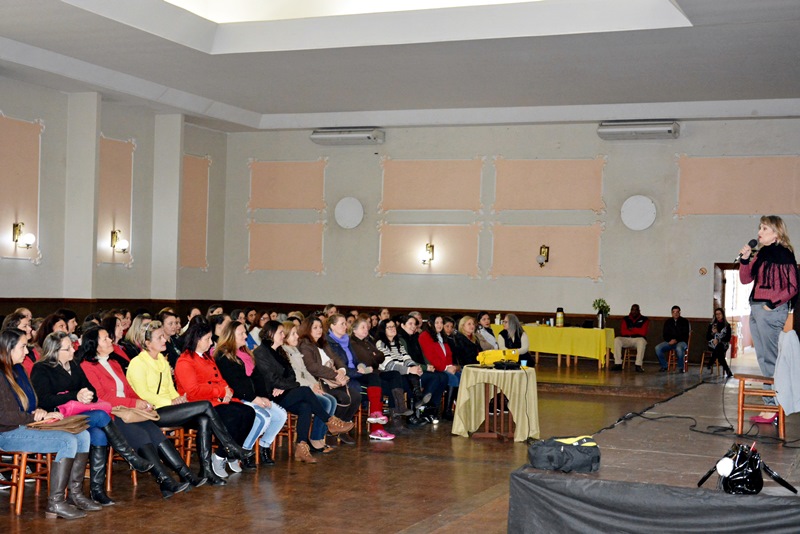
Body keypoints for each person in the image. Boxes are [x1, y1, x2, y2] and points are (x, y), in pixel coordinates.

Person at [30, 332, 155, 505]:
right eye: (67, 349)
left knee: (99, 434)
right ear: (55, 351)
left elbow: (92, 390)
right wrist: (75, 395)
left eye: (72, 348)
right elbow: (44, 399)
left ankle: (97, 491)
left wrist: (88, 395)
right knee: (101, 416)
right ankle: (130, 457)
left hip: (78, 414)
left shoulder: (73, 365)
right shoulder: (42, 368)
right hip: (57, 415)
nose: (73, 352)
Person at [79, 326, 201, 502]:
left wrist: (141, 403)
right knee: (142, 435)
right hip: (111, 413)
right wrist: (133, 403)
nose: (110, 341)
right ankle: (165, 480)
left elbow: (128, 389)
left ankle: (185, 474)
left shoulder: (114, 363)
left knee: (154, 432)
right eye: (105, 339)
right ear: (94, 345)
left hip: (129, 411)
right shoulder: (87, 366)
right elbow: (102, 397)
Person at [126, 320, 254, 486]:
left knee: (205, 419)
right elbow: (143, 394)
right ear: (147, 343)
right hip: (153, 411)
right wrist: (171, 400)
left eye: (163, 337)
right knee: (206, 406)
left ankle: (206, 470)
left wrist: (178, 398)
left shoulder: (162, 361)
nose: (165, 340)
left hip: (170, 407)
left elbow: (170, 388)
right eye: (160, 338)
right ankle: (230, 446)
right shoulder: (137, 363)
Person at [0, 329, 93, 520]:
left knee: (82, 434)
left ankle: (75, 494)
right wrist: (32, 417)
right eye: (23, 347)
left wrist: (41, 413)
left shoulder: (18, 370)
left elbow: (32, 404)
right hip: (7, 433)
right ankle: (55, 503)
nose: (27, 352)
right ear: (8, 349)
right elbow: (4, 416)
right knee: (67, 441)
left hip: (25, 425)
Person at [254, 321, 354, 462]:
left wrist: (285, 385)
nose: (283, 335)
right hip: (269, 395)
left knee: (305, 407)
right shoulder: (261, 353)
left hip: (284, 392)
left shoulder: (280, 351)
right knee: (305, 391)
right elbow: (271, 379)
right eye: (280, 332)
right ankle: (330, 421)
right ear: (270, 334)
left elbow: (292, 376)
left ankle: (302, 447)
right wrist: (285, 385)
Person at [174, 322, 260, 478]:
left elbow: (220, 379)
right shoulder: (185, 360)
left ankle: (231, 454)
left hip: (215, 400)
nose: (211, 342)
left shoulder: (207, 358)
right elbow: (193, 391)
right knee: (233, 416)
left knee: (248, 412)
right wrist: (220, 391)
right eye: (207, 339)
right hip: (198, 405)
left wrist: (228, 391)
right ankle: (220, 456)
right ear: (197, 340)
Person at [739, 215, 799, 423]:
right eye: (760, 228)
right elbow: (745, 279)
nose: (759, 232)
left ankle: (775, 406)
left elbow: (792, 287)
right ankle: (771, 405)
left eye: (764, 228)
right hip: (756, 309)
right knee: (764, 360)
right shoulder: (762, 254)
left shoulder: (784, 254)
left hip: (771, 310)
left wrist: (771, 304)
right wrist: (745, 259)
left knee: (771, 360)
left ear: (776, 233)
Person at [215, 320, 287, 467]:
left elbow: (258, 378)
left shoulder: (245, 354)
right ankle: (245, 451)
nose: (245, 336)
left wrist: (264, 396)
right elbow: (236, 383)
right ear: (230, 336)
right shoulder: (224, 356)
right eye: (241, 333)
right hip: (239, 398)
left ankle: (264, 446)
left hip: (253, 397)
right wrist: (254, 398)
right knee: (263, 418)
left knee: (280, 415)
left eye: (245, 332)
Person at [297, 316, 361, 441]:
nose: (319, 330)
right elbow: (312, 367)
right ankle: (329, 431)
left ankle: (342, 428)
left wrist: (341, 371)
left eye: (320, 327)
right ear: (307, 329)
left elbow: (338, 359)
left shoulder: (323, 343)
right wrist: (335, 374)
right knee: (343, 398)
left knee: (356, 396)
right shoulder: (305, 345)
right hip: (320, 381)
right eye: (315, 328)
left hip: (333, 379)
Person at [281, 320, 338, 453]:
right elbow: (295, 377)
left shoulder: (294, 349)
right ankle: (316, 438)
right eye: (294, 334)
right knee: (325, 402)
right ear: (285, 336)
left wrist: (314, 384)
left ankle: (319, 438)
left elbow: (305, 371)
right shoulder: (285, 352)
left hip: (306, 386)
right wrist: (311, 386)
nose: (297, 336)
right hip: (295, 389)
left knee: (332, 400)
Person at [350, 316, 408, 436]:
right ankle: (393, 419)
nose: (366, 329)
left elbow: (380, 357)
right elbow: (366, 359)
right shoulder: (353, 343)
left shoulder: (368, 341)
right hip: (364, 375)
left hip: (375, 372)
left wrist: (374, 357)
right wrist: (374, 357)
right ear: (354, 330)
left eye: (367, 327)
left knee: (395, 375)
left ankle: (398, 411)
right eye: (363, 327)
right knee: (387, 384)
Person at [374, 319, 432, 427]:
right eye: (389, 327)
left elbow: (406, 358)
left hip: (399, 374)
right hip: (386, 374)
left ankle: (416, 402)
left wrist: (414, 367)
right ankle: (414, 402)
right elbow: (389, 365)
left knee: (410, 373)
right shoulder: (380, 343)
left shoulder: (398, 343)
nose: (392, 329)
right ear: (383, 330)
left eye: (393, 327)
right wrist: (409, 370)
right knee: (401, 374)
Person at [396, 314, 445, 424]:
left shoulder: (414, 337)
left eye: (414, 324)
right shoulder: (400, 339)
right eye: (410, 324)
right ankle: (422, 408)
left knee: (443, 376)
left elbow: (422, 355)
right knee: (435, 378)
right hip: (409, 371)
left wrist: (429, 365)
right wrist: (425, 367)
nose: (413, 326)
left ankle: (433, 409)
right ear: (402, 325)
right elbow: (407, 360)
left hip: (419, 368)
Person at [418, 314, 460, 421]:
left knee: (461, 375)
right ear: (430, 323)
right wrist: (446, 368)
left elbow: (448, 354)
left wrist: (451, 366)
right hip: (435, 368)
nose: (440, 325)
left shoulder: (441, 336)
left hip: (445, 366)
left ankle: (457, 408)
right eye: (437, 322)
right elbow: (430, 356)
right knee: (453, 378)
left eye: (441, 322)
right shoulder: (425, 336)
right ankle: (446, 410)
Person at [611, 304, 650, 373]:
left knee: (641, 341)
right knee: (617, 339)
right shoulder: (625, 319)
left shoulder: (644, 319)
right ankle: (618, 363)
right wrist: (637, 330)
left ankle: (638, 365)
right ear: (630, 310)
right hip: (627, 339)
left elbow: (643, 332)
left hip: (638, 339)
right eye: (632, 310)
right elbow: (623, 332)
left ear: (639, 311)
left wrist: (631, 329)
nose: (634, 311)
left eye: (636, 310)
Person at [654, 306, 691, 373]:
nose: (675, 314)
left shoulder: (684, 321)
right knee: (658, 348)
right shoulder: (668, 322)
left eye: (677, 312)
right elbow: (665, 334)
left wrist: (676, 340)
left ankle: (680, 367)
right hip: (670, 342)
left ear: (679, 313)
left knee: (679, 348)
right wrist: (669, 340)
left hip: (681, 342)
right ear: (671, 313)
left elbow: (685, 335)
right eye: (674, 312)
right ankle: (664, 366)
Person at [705, 308, 733, 378]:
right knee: (719, 352)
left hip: (723, 344)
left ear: (723, 314)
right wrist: (712, 333)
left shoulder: (727, 325)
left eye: (719, 314)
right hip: (712, 344)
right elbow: (707, 337)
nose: (718, 316)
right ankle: (727, 370)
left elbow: (728, 338)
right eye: (716, 314)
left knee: (719, 347)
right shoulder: (712, 325)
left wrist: (719, 340)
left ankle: (711, 361)